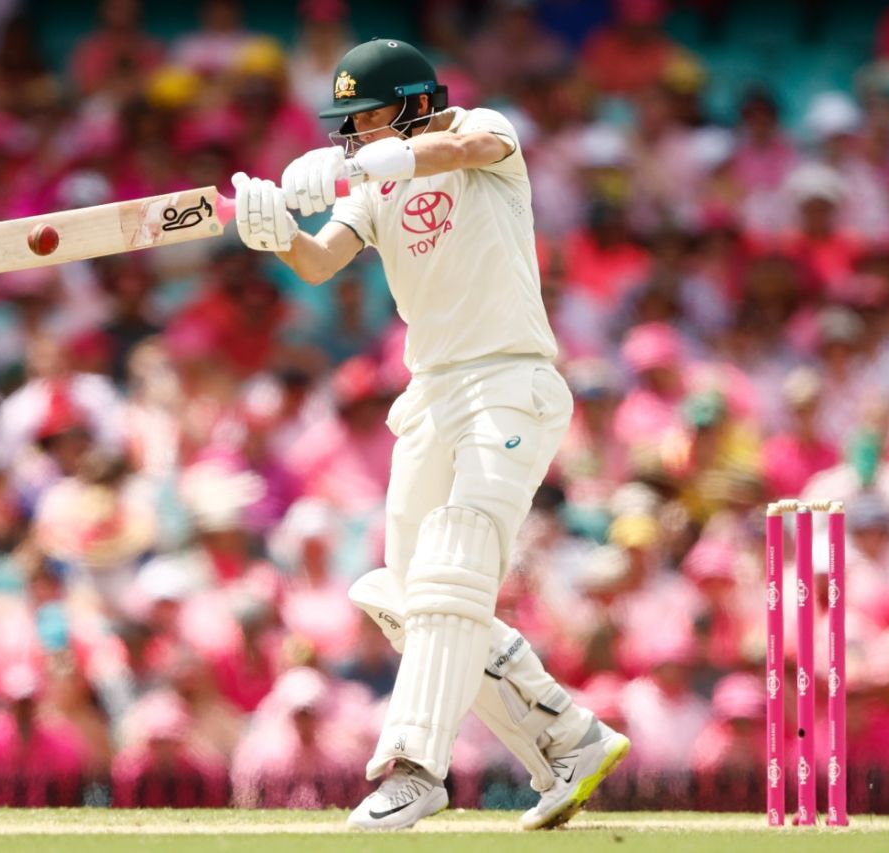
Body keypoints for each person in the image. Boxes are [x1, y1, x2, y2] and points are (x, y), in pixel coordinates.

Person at [230, 37, 629, 831]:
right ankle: (567, 739)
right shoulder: (371, 183)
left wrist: (365, 166)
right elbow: (318, 262)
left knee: (454, 565)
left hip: (510, 382)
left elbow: (462, 147)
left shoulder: (483, 134)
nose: (352, 135)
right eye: (343, 124)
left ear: (414, 102)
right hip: (434, 390)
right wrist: (275, 231)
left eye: (365, 116)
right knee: (406, 596)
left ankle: (412, 767)